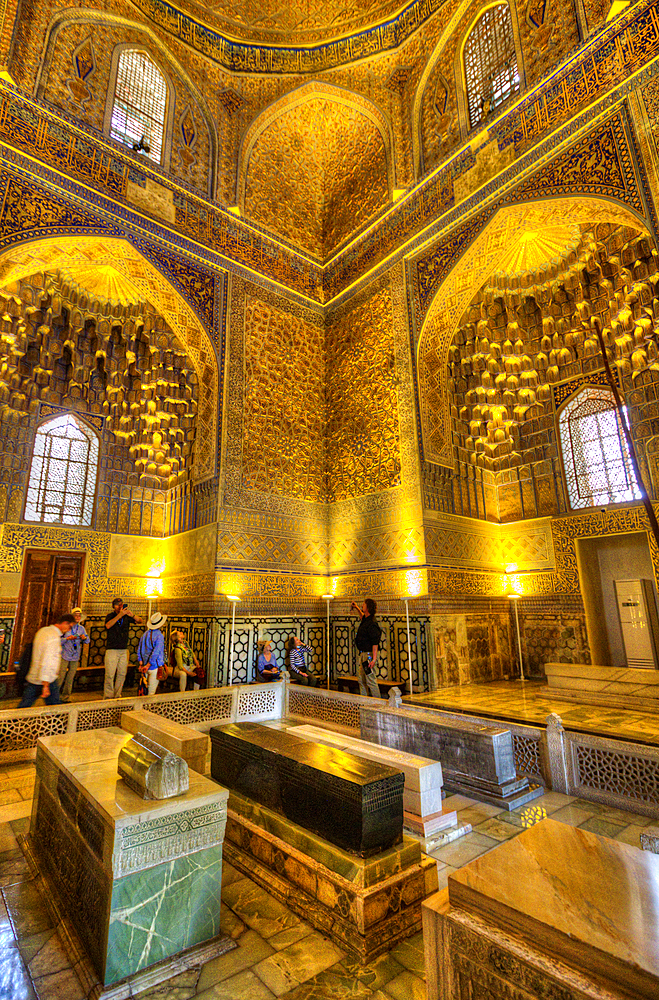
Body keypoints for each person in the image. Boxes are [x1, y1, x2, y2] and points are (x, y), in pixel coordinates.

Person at [18, 614, 76, 708]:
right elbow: (48, 660)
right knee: (55, 709)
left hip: (34, 676)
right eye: (70, 627)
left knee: (24, 706)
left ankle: (14, 720)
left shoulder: (43, 631)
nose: (69, 630)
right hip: (47, 679)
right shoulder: (53, 637)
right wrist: (45, 684)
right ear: (65, 623)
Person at [104, 597, 143, 699]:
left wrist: (132, 615)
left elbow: (140, 621)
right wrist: (119, 616)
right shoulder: (110, 616)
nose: (119, 606)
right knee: (110, 674)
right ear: (113, 606)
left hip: (123, 649)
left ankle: (117, 695)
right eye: (117, 605)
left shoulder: (126, 617)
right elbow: (108, 626)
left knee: (122, 673)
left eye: (121, 604)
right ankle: (108, 696)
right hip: (112, 649)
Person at [351, 598, 382, 698]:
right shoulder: (366, 619)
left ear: (368, 607)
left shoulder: (372, 623)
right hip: (363, 654)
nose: (362, 606)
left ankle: (378, 702)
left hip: (368, 656)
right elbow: (362, 617)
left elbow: (375, 643)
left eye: (363, 605)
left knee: (370, 680)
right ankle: (364, 701)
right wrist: (356, 608)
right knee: (362, 679)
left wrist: (373, 659)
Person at [57, 607, 90, 703]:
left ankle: (65, 697)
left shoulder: (81, 629)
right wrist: (67, 639)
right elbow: (58, 640)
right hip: (65, 655)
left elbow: (88, 641)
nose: (77, 617)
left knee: (70, 678)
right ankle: (54, 697)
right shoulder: (66, 627)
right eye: (76, 615)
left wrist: (84, 638)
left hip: (75, 656)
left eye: (79, 615)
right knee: (60, 677)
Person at [137, 612, 167, 696]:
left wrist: (141, 664)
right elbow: (156, 652)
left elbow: (139, 649)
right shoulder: (159, 636)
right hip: (154, 667)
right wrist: (149, 664)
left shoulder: (145, 634)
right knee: (151, 692)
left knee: (144, 690)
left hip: (144, 666)